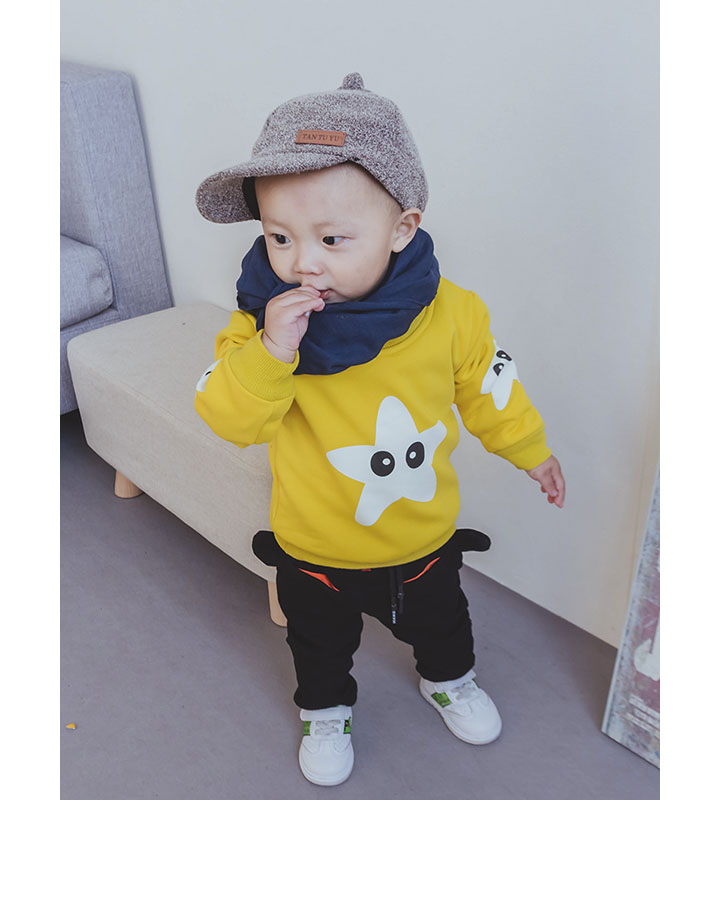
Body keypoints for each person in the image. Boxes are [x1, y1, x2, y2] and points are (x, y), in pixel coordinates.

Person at [194, 72, 566, 786]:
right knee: (318, 644)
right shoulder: (260, 322)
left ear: (402, 229)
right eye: (278, 236)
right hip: (313, 543)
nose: (302, 262)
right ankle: (325, 710)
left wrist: (529, 448)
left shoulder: (453, 313)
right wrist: (270, 351)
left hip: (419, 536)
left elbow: (488, 387)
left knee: (443, 624)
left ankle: (448, 680)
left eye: (332, 238)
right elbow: (228, 417)